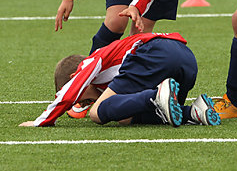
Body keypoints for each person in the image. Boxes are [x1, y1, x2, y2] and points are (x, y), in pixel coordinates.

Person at [19, 32, 221, 127]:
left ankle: (155, 95)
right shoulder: (113, 76)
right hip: (186, 59)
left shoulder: (90, 62)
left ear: (76, 77)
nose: (84, 104)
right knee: (125, 114)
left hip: (156, 52)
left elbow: (74, 89)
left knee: (98, 113)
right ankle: (194, 112)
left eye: (81, 100)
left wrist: (42, 121)